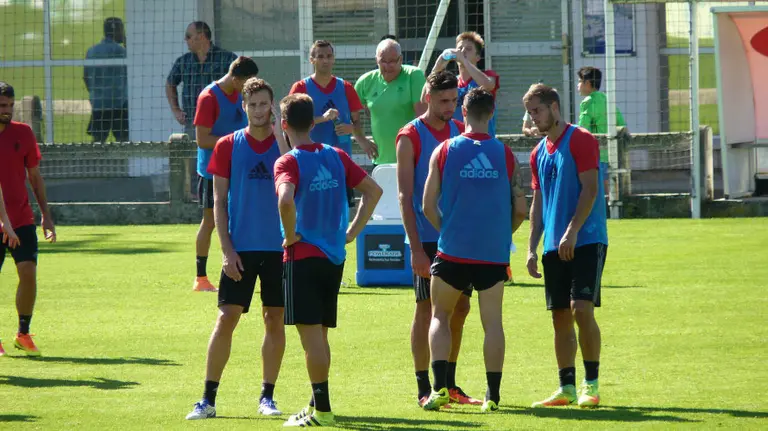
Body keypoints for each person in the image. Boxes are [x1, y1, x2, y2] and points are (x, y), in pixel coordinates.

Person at [274, 94, 382, 427]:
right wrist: (350, 232)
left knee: (310, 337)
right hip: (334, 257)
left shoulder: (288, 161)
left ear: (285, 125)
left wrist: (290, 234)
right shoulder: (336, 155)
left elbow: (285, 200)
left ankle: (322, 410)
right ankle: (314, 402)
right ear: (313, 122)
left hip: (303, 256)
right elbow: (374, 191)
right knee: (320, 335)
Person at [185, 78, 290, 420]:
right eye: (253, 105)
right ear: (243, 108)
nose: (260, 110)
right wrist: (226, 249)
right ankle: (207, 399)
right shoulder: (228, 145)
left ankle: (267, 397)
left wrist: (280, 137)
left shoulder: (285, 143)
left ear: (272, 106)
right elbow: (218, 201)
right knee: (226, 318)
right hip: (240, 249)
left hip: (279, 250)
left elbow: (295, 177)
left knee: (274, 319)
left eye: (265, 104)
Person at [421, 87, 527, 412]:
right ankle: (492, 396)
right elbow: (521, 208)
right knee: (492, 323)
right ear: (491, 114)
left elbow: (426, 206)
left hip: (452, 251)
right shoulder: (506, 154)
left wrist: (449, 231)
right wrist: (499, 235)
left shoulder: (444, 150)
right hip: (492, 255)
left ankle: (439, 389)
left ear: (462, 113)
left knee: (440, 315)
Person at [396, 70, 481, 407]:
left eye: (454, 101)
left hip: (458, 238)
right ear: (427, 96)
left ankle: (448, 383)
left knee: (461, 307)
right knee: (426, 309)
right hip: (427, 238)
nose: (450, 107)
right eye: (444, 101)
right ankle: (423, 386)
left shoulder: (460, 132)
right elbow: (404, 196)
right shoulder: (410, 136)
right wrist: (416, 248)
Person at [523, 83, 608, 409]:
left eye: (537, 111)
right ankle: (566, 388)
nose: (533, 118)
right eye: (530, 112)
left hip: (586, 239)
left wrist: (571, 231)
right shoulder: (538, 152)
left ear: (554, 107)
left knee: (581, 309)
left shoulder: (582, 139)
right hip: (552, 247)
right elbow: (538, 202)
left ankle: (592, 384)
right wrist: (532, 247)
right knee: (559, 316)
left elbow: (590, 189)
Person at [190, 56, 260, 292]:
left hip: (239, 170)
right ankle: (201, 277)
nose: (250, 89)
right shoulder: (209, 97)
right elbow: (202, 139)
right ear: (236, 78)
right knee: (211, 220)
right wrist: (234, 142)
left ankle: (243, 269)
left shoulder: (243, 95)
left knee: (243, 219)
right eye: (247, 83)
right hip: (212, 172)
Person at [0, 82, 57, 357]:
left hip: (21, 218)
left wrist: (46, 214)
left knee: (29, 274)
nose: (7, 111)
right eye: (2, 106)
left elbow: (34, 176)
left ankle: (23, 333)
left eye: (10, 106)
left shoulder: (23, 133)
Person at [289, 39, 378, 207]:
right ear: (312, 60)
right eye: (320, 56)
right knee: (312, 212)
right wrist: (323, 118)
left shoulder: (345, 87)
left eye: (329, 56)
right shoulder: (301, 88)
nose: (325, 60)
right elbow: (292, 124)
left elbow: (356, 123)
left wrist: (354, 131)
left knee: (341, 213)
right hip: (310, 162)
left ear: (334, 59)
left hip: (340, 162)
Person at [355, 38, 427, 165]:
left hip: (411, 160)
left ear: (401, 59)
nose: (388, 66)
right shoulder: (365, 81)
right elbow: (350, 114)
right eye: (383, 61)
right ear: (376, 59)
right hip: (380, 160)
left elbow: (423, 117)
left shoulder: (414, 75)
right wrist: (361, 139)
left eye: (393, 61)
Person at [166, 21, 238, 138]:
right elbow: (170, 84)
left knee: (222, 155)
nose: (185, 40)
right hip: (193, 125)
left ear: (201, 37)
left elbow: (242, 82)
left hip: (221, 124)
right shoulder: (184, 62)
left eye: (188, 36)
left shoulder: (227, 59)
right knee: (193, 156)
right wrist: (176, 110)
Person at [429, 32, 499, 136]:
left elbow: (488, 86)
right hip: (456, 143)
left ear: (478, 57)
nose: (462, 51)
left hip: (482, 142)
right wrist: (438, 65)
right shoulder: (450, 82)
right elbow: (425, 97)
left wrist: (464, 60)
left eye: (468, 49)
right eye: (460, 48)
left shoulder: (488, 75)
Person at [576, 66, 626, 190]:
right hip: (611, 154)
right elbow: (621, 122)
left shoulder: (587, 102)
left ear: (587, 83)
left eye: (579, 81)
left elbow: (582, 129)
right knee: (609, 192)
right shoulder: (607, 99)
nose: (577, 85)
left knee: (595, 192)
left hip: (595, 156)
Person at [84, 17, 128, 143]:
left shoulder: (91, 51)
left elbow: (86, 77)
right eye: (122, 30)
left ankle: (94, 162)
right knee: (123, 139)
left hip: (99, 103)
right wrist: (126, 43)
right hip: (119, 104)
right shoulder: (122, 51)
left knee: (98, 140)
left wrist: (96, 93)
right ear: (117, 31)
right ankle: (123, 162)